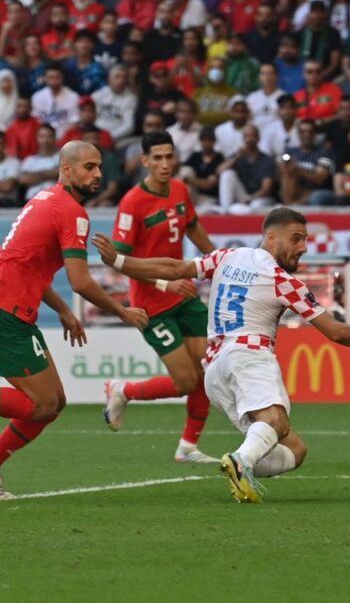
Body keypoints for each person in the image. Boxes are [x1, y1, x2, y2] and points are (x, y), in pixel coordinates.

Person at [91, 207, 350, 503]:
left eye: (305, 239)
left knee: (294, 450)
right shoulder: (282, 281)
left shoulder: (229, 256)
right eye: (296, 238)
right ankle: (241, 461)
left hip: (215, 371)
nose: (303, 247)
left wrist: (118, 261)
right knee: (276, 421)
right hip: (248, 355)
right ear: (271, 237)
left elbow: (175, 268)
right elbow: (335, 331)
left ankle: (238, 461)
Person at [0, 141, 149, 499]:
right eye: (89, 167)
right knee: (40, 404)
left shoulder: (44, 199)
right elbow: (81, 280)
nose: (98, 174)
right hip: (3, 311)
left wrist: (61, 309)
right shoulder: (72, 212)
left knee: (54, 403)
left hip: (2, 306)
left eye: (99, 166)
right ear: (66, 169)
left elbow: (31, 265)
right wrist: (122, 311)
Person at [102, 130, 220, 463]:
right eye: (158, 158)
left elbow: (193, 228)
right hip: (152, 304)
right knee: (184, 381)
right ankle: (123, 390)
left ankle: (188, 447)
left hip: (184, 297)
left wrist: (219, 262)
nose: (165, 164)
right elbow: (119, 262)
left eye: (170, 156)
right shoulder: (132, 203)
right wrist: (165, 283)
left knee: (205, 372)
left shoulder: (180, 190)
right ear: (145, 161)